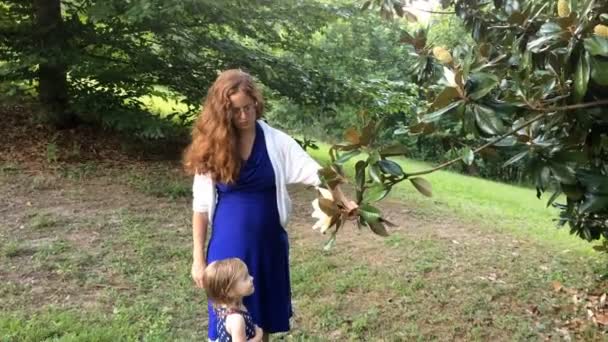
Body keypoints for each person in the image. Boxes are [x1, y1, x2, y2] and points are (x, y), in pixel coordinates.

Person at [183, 69, 356, 341]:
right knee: (228, 323)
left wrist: (344, 202)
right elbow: (201, 208)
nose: (244, 116)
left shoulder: (276, 141)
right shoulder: (212, 146)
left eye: (248, 108)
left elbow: (318, 174)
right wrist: (197, 259)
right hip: (229, 250)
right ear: (223, 112)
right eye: (236, 111)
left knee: (261, 322)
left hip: (268, 245)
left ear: (256, 103)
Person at [203, 258, 263, 342]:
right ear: (229, 291)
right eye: (245, 278)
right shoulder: (236, 319)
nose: (251, 278)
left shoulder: (229, 306)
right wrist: (258, 336)